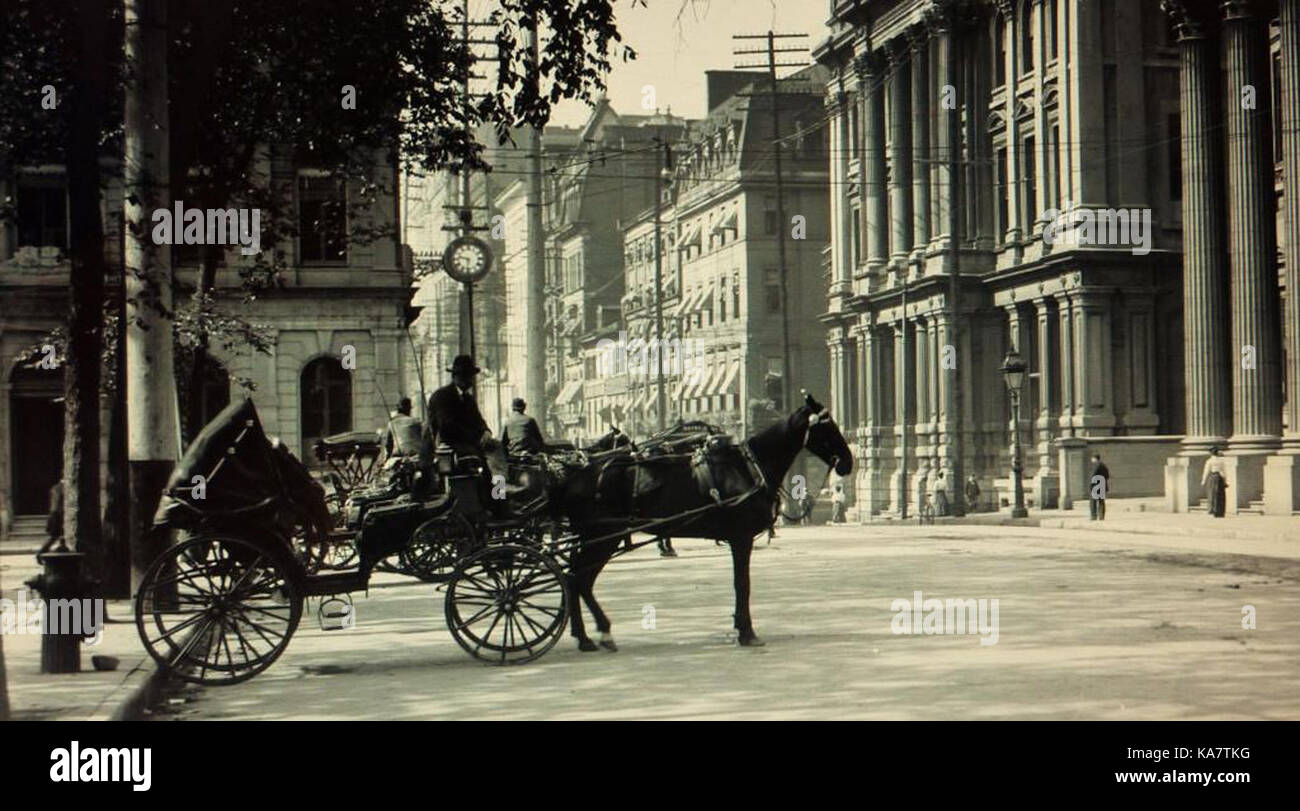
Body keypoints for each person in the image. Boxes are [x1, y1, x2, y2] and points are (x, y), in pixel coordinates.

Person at [425, 355, 495, 459]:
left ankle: (497, 475)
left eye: (470, 375)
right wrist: (476, 437)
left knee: (496, 448)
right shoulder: (441, 396)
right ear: (454, 376)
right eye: (464, 375)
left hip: (468, 446)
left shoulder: (469, 399)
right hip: (447, 447)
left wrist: (486, 432)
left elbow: (478, 420)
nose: (469, 379)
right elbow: (446, 426)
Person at [1201, 445, 1228, 518]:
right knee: (1220, 495)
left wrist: (1203, 480)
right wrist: (1225, 481)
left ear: (1211, 453)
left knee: (1212, 494)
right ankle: (1220, 511)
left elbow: (1206, 471)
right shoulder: (1221, 461)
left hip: (1213, 477)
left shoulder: (1209, 461)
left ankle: (1212, 510)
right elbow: (1224, 471)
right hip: (1220, 478)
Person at [1089, 453, 1110, 521]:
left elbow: (1093, 476)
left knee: (1093, 502)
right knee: (1101, 502)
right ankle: (1101, 516)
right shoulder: (1104, 466)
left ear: (1095, 458)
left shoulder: (1096, 466)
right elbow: (1107, 475)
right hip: (1102, 485)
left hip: (1096, 486)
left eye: (1092, 458)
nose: (1091, 460)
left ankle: (1093, 516)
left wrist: (1091, 485)